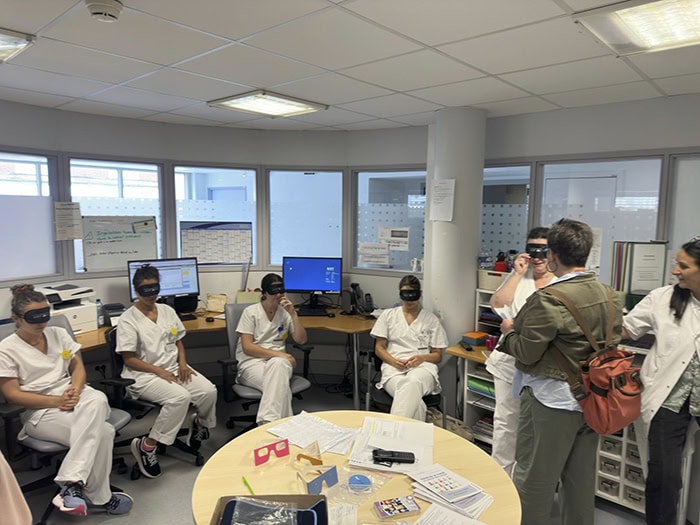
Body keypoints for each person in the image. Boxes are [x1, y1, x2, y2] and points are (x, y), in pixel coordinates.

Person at [496, 218, 622, 525]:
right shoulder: (609, 295)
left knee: (535, 480)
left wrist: (509, 332)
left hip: (551, 401)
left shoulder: (549, 299)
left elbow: (526, 351)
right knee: (579, 482)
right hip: (593, 398)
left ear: (552, 256)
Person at [0, 284, 133, 517]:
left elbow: (77, 367)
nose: (42, 322)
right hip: (41, 411)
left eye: (45, 315)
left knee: (98, 398)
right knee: (104, 431)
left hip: (75, 396)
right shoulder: (6, 349)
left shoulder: (58, 334)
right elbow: (12, 395)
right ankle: (98, 495)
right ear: (16, 319)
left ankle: (72, 485)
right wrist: (56, 401)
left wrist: (75, 389)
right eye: (34, 317)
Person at [621, 236, 700, 525]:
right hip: (668, 400)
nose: (676, 271)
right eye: (676, 264)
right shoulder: (663, 298)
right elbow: (627, 329)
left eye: (684, 266)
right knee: (664, 477)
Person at [116, 264, 217, 479]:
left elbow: (178, 341)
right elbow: (129, 358)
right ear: (136, 290)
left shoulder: (168, 311)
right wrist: (159, 371)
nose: (151, 295)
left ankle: (199, 424)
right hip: (144, 375)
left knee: (208, 391)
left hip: (174, 368)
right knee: (180, 398)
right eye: (146, 290)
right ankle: (147, 445)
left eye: (155, 289)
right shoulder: (128, 319)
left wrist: (183, 364)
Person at [485, 227, 554, 477]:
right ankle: (501, 478)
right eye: (533, 250)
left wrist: (516, 326)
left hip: (542, 365)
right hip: (509, 361)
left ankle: (528, 482)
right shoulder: (521, 278)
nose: (538, 257)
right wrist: (516, 273)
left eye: (543, 250)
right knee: (506, 423)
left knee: (537, 427)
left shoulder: (559, 281)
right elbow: (497, 305)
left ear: (552, 253)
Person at [370, 275, 448, 421]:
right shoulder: (388, 315)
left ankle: (392, 430)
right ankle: (408, 434)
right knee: (411, 395)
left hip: (423, 369)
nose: (409, 301)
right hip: (393, 370)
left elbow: (437, 355)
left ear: (420, 294)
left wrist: (421, 358)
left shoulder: (430, 319)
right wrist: (393, 361)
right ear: (400, 294)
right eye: (405, 296)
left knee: (412, 382)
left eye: (413, 296)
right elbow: (379, 348)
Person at [235, 273, 308, 425]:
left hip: (279, 363)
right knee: (279, 386)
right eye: (274, 291)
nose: (279, 295)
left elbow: (301, 339)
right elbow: (247, 347)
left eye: (281, 290)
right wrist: (281, 355)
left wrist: (293, 314)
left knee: (278, 367)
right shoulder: (251, 312)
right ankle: (284, 425)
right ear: (264, 292)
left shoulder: (285, 313)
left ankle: (267, 422)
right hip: (252, 363)